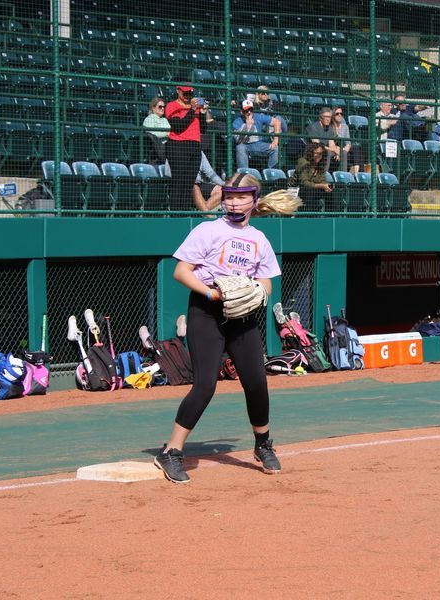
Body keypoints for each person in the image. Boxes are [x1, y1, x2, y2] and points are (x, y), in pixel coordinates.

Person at [154, 173, 301, 484]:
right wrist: (212, 293)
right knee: (206, 384)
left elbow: (266, 284)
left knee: (257, 382)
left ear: (253, 199)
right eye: (229, 195)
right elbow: (181, 272)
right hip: (206, 310)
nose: (233, 201)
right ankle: (171, 451)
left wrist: (257, 293)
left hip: (242, 315)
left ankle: (263, 444)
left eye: (240, 196)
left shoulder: (259, 239)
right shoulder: (209, 230)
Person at [165, 83, 205, 211]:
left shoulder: (194, 107)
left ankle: (185, 213)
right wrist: (192, 110)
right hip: (178, 146)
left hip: (194, 146)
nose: (187, 95)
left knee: (189, 184)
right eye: (185, 92)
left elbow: (203, 129)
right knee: (179, 182)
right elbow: (178, 127)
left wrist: (203, 113)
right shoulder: (172, 106)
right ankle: (176, 215)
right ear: (178, 91)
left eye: (189, 93)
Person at [232, 99, 280, 170]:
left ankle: (271, 174)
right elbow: (239, 141)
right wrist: (247, 126)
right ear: (241, 112)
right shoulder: (237, 122)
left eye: (251, 109)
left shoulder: (258, 116)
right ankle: (244, 174)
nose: (249, 112)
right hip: (245, 145)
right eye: (246, 110)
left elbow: (277, 122)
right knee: (240, 147)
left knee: (274, 148)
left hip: (258, 145)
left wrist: (275, 140)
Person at [293, 141, 333, 212]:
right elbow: (304, 182)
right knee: (310, 191)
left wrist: (327, 186)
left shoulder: (320, 165)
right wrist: (321, 185)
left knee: (332, 192)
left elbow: (323, 180)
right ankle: (310, 217)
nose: (317, 155)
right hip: (299, 189)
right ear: (310, 153)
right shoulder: (303, 162)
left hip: (314, 190)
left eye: (320, 154)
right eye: (315, 153)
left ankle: (331, 216)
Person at [305, 106, 341, 173]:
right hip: (313, 150)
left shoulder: (329, 128)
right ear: (320, 118)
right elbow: (317, 145)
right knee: (327, 152)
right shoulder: (313, 127)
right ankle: (323, 174)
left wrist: (337, 152)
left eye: (329, 117)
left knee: (343, 152)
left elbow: (332, 144)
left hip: (326, 149)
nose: (328, 119)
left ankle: (342, 176)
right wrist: (334, 150)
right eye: (326, 117)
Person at [331, 106, 363, 174]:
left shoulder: (345, 127)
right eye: (337, 114)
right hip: (335, 149)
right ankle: (347, 175)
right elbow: (331, 143)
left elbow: (348, 143)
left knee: (357, 147)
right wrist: (338, 152)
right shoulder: (330, 127)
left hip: (344, 148)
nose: (340, 115)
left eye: (341, 113)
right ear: (333, 116)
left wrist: (343, 151)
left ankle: (356, 172)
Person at [142, 96, 169, 163]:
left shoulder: (165, 119)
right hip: (157, 148)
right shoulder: (149, 119)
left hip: (168, 145)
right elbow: (151, 134)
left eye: (164, 107)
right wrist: (166, 134)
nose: (162, 108)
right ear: (153, 108)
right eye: (160, 107)